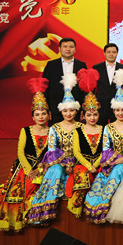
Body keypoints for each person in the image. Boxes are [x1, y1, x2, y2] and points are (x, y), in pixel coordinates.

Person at [0, 78, 49, 232]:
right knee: (17, 193)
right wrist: (29, 170)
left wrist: (41, 169)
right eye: (37, 114)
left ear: (49, 115)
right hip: (25, 168)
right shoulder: (25, 131)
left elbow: (52, 153)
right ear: (33, 117)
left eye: (43, 113)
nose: (41, 116)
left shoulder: (52, 132)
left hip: (44, 168)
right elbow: (20, 152)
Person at [83, 71, 123, 224]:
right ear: (113, 111)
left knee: (118, 170)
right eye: (117, 110)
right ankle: (95, 206)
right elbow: (106, 149)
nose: (120, 113)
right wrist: (114, 160)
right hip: (112, 162)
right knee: (103, 177)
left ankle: (103, 205)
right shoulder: (108, 128)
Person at [26, 73, 81, 226]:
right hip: (59, 162)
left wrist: (74, 162)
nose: (68, 113)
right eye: (65, 111)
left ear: (76, 111)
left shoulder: (81, 127)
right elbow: (52, 150)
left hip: (77, 162)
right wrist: (64, 163)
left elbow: (84, 149)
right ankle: (42, 211)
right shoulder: (55, 128)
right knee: (55, 170)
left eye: (71, 110)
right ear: (61, 111)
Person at [68, 70, 103, 218]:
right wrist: (89, 166)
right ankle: (78, 207)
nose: (92, 117)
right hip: (83, 164)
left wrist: (96, 165)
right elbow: (76, 152)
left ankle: (96, 208)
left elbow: (105, 150)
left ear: (99, 115)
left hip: (100, 163)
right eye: (89, 115)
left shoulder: (103, 130)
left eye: (95, 114)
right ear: (83, 115)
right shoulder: (78, 130)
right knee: (82, 176)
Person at [43, 38, 87, 124]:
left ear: (75, 49)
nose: (68, 49)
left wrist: (83, 109)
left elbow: (84, 88)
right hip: (55, 109)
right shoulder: (51, 65)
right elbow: (45, 88)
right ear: (59, 49)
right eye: (65, 46)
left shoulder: (81, 65)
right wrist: (46, 109)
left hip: (75, 109)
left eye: (71, 47)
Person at [93, 43, 123, 126]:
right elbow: (93, 86)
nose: (111, 54)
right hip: (101, 104)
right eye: (109, 52)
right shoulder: (97, 67)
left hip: (117, 105)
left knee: (117, 127)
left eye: (114, 52)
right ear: (104, 53)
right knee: (101, 127)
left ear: (117, 53)